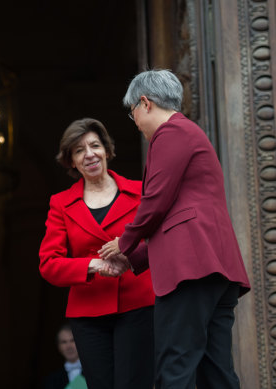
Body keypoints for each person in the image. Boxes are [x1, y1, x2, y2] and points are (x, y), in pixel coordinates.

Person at [99, 69, 251, 389]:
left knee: (175, 364)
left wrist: (124, 242)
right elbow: (178, 215)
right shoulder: (189, 133)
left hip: (190, 270)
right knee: (216, 370)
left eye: (133, 113)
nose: (136, 122)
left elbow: (157, 199)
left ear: (146, 103)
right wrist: (136, 256)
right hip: (213, 268)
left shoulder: (172, 133)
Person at [39, 118, 155, 389]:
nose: (89, 154)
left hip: (138, 305)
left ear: (106, 150)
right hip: (88, 313)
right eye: (79, 150)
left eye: (94, 145)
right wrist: (93, 265)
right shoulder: (61, 204)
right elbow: (49, 264)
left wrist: (128, 250)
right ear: (71, 161)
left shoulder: (140, 192)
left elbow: (164, 242)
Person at [43, 323, 87, 389]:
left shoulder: (94, 373)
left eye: (73, 340)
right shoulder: (52, 380)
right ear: (59, 347)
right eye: (64, 342)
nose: (69, 346)